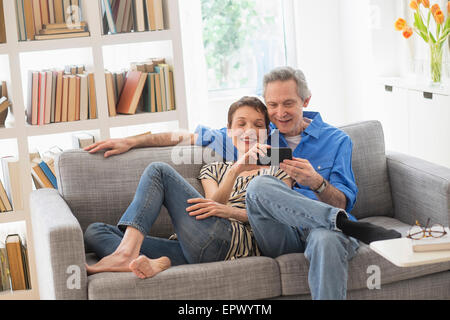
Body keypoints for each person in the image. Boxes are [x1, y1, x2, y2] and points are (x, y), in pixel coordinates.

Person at [84, 67, 401, 299]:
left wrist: (317, 183)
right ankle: (348, 226)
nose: (279, 113)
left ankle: (343, 226)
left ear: (306, 99)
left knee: (323, 237)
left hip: (321, 227)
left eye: (288, 104)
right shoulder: (259, 137)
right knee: (97, 232)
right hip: (275, 234)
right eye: (272, 105)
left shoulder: (336, 141)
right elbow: (181, 136)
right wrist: (130, 140)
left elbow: (343, 199)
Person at [84, 96, 293, 278]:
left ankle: (126, 254)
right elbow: (212, 207)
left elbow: (279, 220)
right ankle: (161, 262)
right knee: (95, 232)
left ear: (266, 133)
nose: (249, 130)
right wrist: (235, 170)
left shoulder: (278, 170)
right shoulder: (213, 169)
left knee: (158, 171)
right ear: (229, 132)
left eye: (258, 125)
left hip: (232, 242)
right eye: (241, 124)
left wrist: (230, 211)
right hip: (193, 244)